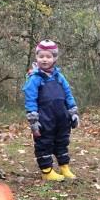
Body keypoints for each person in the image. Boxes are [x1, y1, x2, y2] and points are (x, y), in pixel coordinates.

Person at [23, 40, 79, 181]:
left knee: (62, 141)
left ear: (54, 58)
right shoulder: (34, 78)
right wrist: (33, 118)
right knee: (44, 142)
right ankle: (47, 170)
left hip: (61, 116)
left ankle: (64, 166)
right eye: (41, 56)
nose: (45, 59)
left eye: (48, 56)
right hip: (44, 117)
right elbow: (30, 99)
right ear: (37, 57)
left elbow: (68, 93)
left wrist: (72, 111)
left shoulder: (59, 77)